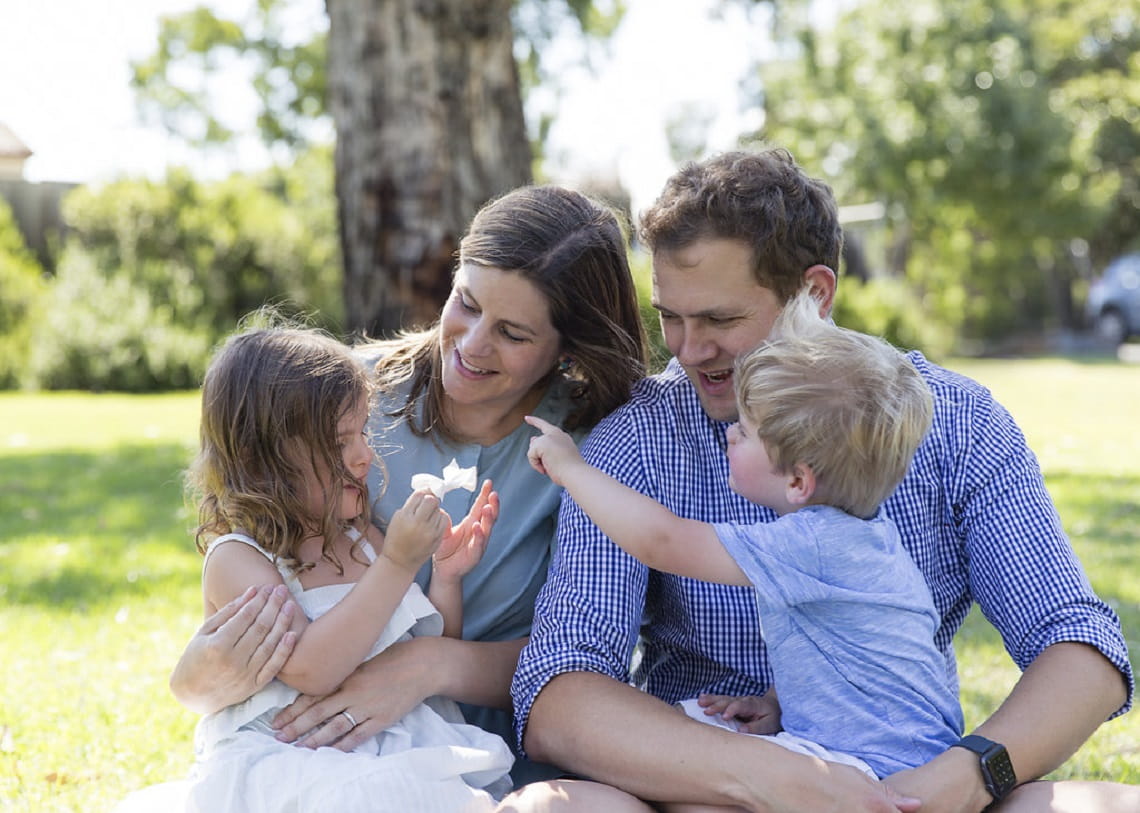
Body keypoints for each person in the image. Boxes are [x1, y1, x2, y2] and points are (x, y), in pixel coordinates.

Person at [511, 148, 1135, 813]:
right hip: (706, 785)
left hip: (909, 790)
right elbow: (559, 689)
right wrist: (770, 775)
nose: (689, 350)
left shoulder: (958, 422)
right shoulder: (634, 442)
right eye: (671, 317)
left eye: (721, 319)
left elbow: (1081, 647)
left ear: (814, 294)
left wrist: (970, 772)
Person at [163, 185, 650, 790]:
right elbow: (262, 558)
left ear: (568, 348)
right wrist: (195, 676)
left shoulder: (599, 447)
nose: (472, 345)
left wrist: (430, 665)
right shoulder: (337, 395)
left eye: (514, 334)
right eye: (466, 303)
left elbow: (592, 656)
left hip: (482, 756)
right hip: (316, 754)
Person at [524, 287, 964, 781]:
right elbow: (849, 654)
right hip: (909, 754)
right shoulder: (865, 538)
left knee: (677, 778)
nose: (730, 433)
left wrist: (572, 470)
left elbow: (662, 541)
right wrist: (777, 703)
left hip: (871, 768)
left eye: (747, 431)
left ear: (798, 481)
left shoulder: (810, 544)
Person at [120, 324, 515, 812]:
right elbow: (311, 669)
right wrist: (396, 562)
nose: (363, 455)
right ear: (260, 461)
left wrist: (446, 576)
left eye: (363, 432)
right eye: (337, 442)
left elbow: (428, 646)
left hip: (400, 743)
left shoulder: (361, 537)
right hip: (292, 753)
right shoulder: (240, 558)